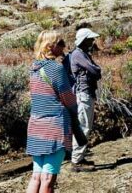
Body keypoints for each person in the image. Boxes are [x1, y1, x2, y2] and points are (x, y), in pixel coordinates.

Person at [26, 30, 86, 193]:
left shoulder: (34, 68)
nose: (64, 46)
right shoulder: (55, 69)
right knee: (48, 179)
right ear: (50, 46)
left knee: (36, 176)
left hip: (36, 126)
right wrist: (75, 111)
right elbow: (67, 98)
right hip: (54, 127)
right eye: (60, 43)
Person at [65, 27, 102, 168]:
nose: (93, 41)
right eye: (90, 39)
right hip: (84, 94)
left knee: (85, 125)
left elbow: (95, 71)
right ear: (84, 40)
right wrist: (95, 69)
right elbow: (95, 70)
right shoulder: (78, 54)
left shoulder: (80, 54)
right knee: (84, 127)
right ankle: (76, 160)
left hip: (85, 93)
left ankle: (79, 158)